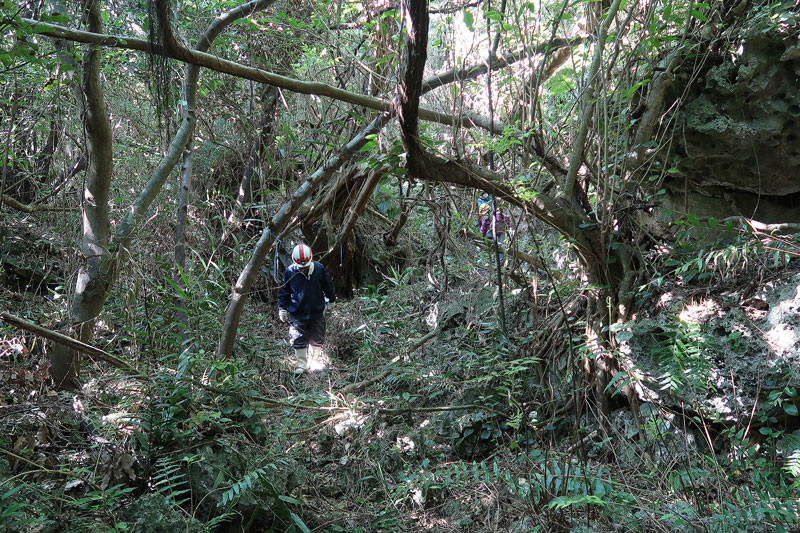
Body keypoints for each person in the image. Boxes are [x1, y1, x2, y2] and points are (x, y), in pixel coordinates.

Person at [278, 243, 336, 374]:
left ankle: (314, 361)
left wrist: (331, 299)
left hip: (316, 311)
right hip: (297, 312)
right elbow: (284, 291)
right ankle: (302, 365)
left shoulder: (319, 269)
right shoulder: (290, 272)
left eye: (305, 266)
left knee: (317, 336)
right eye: (300, 266)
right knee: (298, 337)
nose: (303, 269)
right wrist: (282, 308)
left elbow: (327, 285)